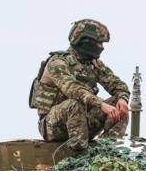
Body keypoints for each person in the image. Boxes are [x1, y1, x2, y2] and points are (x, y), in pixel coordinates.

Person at [29, 19, 130, 152]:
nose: (102, 47)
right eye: (99, 43)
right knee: (74, 104)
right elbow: (72, 88)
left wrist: (122, 98)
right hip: (53, 125)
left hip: (83, 122)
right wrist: (100, 104)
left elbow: (116, 83)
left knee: (119, 105)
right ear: (85, 41)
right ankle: (80, 153)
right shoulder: (58, 62)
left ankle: (108, 151)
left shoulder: (93, 64)